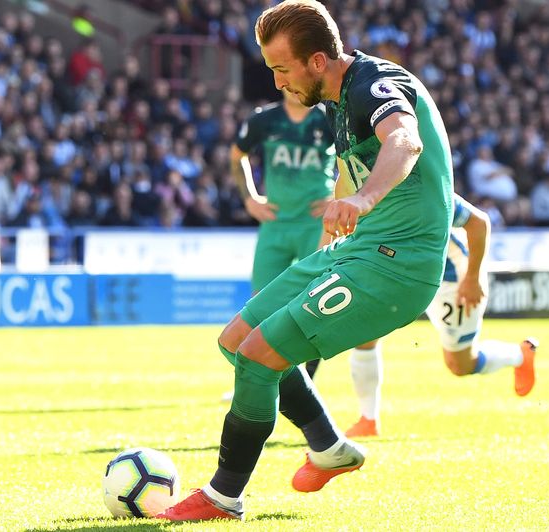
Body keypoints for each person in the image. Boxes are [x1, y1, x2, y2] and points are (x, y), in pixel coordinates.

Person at [158, 0, 454, 521]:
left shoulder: (374, 84)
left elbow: (404, 141)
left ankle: (224, 496)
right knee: (234, 342)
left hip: (397, 265)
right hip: (355, 251)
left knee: (258, 357)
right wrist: (334, 230)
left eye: (280, 69)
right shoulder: (337, 102)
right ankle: (328, 445)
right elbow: (351, 171)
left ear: (318, 61)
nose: (276, 84)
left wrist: (362, 203)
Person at [344, 194, 537, 437]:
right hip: (400, 272)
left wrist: (472, 278)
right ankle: (367, 420)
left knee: (459, 364)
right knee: (365, 333)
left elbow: (479, 222)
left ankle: (519, 354)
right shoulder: (360, 182)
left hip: (453, 279)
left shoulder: (424, 186)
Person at [231, 87, 335, 379]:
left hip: (315, 224)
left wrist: (339, 196)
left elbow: (353, 158)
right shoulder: (263, 120)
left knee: (314, 302)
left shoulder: (329, 118)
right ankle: (251, 379)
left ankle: (307, 384)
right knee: (258, 305)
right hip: (275, 222)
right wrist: (249, 198)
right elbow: (236, 155)